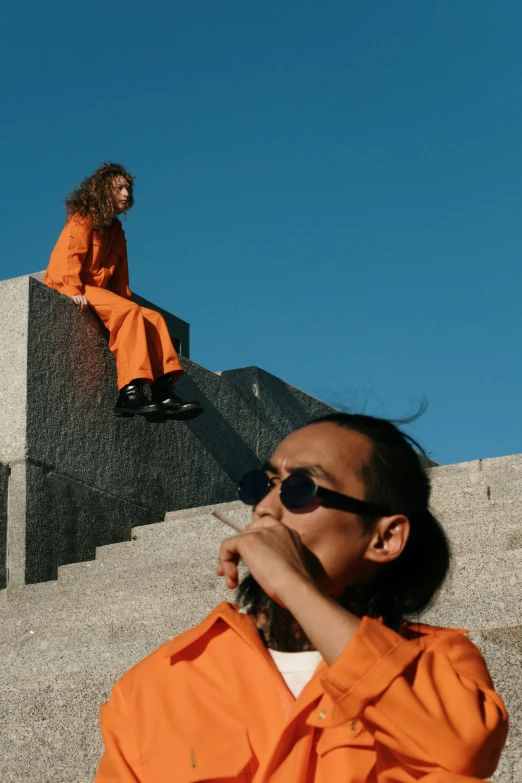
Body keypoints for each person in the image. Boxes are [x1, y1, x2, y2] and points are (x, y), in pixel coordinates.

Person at [94, 413, 508, 782]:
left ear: (384, 538)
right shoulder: (157, 684)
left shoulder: (440, 665)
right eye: (263, 485)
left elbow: (463, 751)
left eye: (300, 490)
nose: (266, 509)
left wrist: (294, 586)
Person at [44, 162, 203, 420]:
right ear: (102, 190)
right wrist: (71, 289)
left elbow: (120, 284)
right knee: (129, 311)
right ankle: (129, 391)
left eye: (128, 188)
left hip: (100, 294)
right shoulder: (83, 218)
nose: (126, 194)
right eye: (119, 188)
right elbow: (67, 257)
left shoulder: (117, 232)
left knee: (153, 318)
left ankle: (162, 390)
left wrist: (133, 314)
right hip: (73, 285)